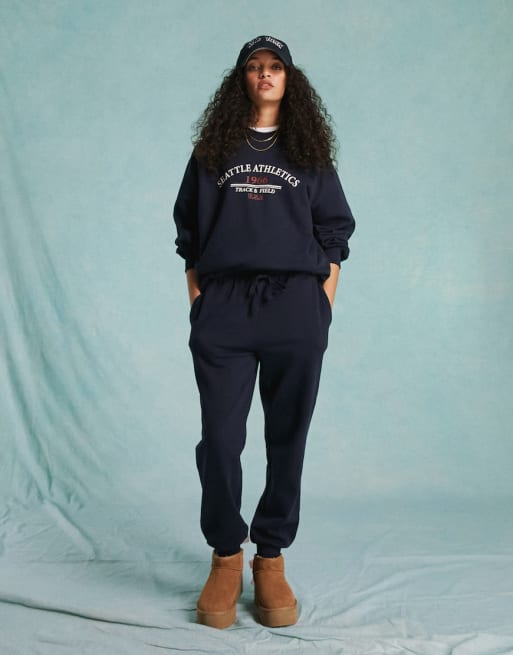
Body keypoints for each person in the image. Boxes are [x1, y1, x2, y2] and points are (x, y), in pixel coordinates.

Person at [173, 35, 355, 629]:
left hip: (295, 306)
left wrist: (321, 305)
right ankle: (227, 555)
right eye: (254, 67)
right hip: (226, 306)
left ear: (289, 79)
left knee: (287, 438)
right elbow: (189, 233)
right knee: (221, 440)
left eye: (275, 66)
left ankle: (270, 556)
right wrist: (200, 302)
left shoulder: (309, 152)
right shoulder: (212, 150)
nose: (265, 74)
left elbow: (334, 232)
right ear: (241, 80)